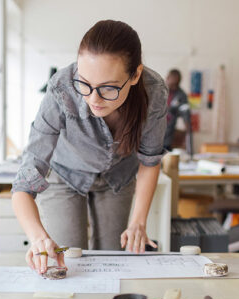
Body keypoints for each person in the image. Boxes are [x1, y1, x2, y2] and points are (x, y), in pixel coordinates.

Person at [11, 20, 168, 274]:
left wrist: (138, 222)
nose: (93, 99)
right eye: (84, 83)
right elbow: (24, 184)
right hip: (65, 175)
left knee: (112, 261)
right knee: (69, 262)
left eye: (108, 88)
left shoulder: (154, 92)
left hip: (118, 177)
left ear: (135, 75)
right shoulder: (61, 88)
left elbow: (150, 161)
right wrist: (37, 236)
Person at [163, 69, 192, 154]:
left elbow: (186, 114)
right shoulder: (158, 91)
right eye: (172, 84)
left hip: (168, 135)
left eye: (176, 85)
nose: (174, 87)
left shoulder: (181, 95)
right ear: (167, 78)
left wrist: (188, 129)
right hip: (152, 133)